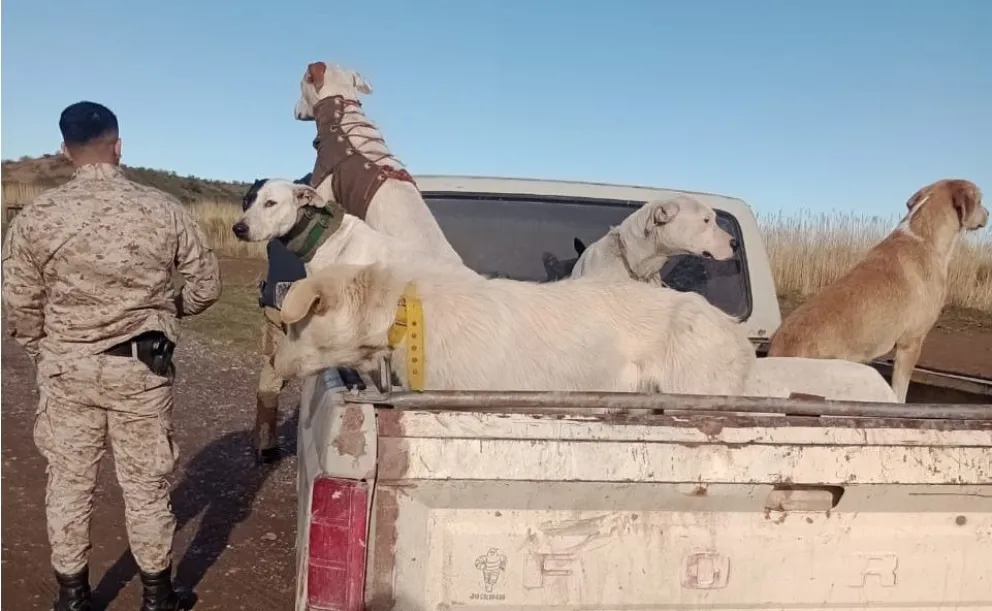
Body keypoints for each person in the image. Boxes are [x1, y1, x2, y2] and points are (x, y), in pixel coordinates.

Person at [1, 101, 222, 611]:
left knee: (70, 484)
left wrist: (50, 350)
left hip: (67, 370)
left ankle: (73, 599)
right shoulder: (163, 208)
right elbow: (206, 285)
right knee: (146, 484)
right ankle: (156, 597)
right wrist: (167, 314)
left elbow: (20, 304)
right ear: (118, 145)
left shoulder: (36, 216)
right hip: (142, 368)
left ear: (64, 151)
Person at [250, 173, 310, 463]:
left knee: (272, 372)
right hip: (308, 305)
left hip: (276, 302)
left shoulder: (273, 215)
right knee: (322, 373)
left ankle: (265, 438)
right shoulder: (317, 217)